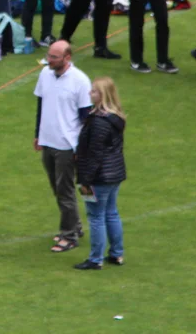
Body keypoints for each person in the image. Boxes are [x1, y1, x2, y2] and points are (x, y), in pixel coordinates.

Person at [33, 40, 92, 254]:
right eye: (48, 55)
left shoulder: (80, 81)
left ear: (67, 58)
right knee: (56, 189)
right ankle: (74, 226)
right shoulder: (45, 75)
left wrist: (82, 150)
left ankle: (69, 236)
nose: (49, 60)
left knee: (65, 191)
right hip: (48, 140)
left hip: (67, 145)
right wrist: (37, 135)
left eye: (54, 57)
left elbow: (87, 120)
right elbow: (41, 104)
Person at [73, 77, 126, 270]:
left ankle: (96, 259)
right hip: (115, 174)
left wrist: (85, 180)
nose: (90, 93)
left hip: (98, 177)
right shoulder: (116, 117)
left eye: (94, 91)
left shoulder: (98, 122)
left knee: (96, 216)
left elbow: (94, 154)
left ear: (102, 95)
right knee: (111, 212)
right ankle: (116, 254)